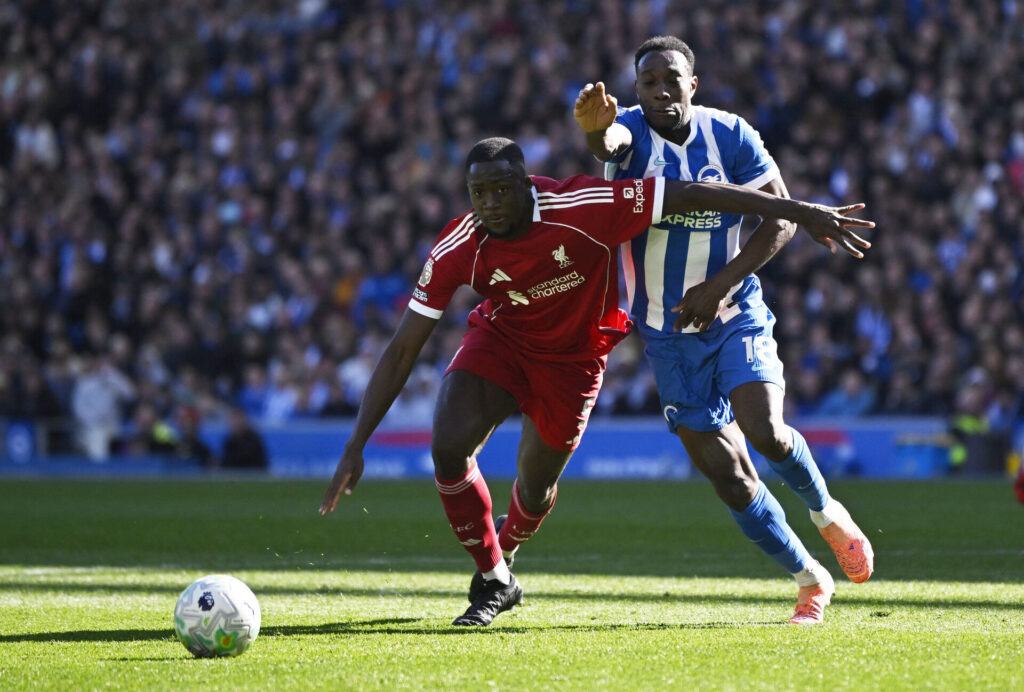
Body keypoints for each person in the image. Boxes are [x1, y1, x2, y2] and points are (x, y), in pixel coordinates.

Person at [319, 136, 873, 627]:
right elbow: (402, 351)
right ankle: (492, 578)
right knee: (448, 446)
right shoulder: (459, 245)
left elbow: (686, 195)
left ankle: (506, 554)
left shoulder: (582, 207)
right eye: (478, 193)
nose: (489, 204)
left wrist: (796, 211)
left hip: (577, 361)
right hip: (503, 344)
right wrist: (355, 442)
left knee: (534, 490)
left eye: (500, 190)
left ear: (526, 184)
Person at [573, 35, 875, 625]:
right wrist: (592, 130)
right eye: (649, 82)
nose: (661, 90)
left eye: (671, 78)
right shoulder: (629, 133)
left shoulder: (730, 134)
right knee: (729, 478)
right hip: (664, 333)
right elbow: (607, 141)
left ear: (694, 82)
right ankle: (809, 579)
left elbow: (778, 220)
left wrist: (717, 287)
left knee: (766, 432)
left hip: (734, 308)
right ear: (636, 92)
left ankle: (826, 511)